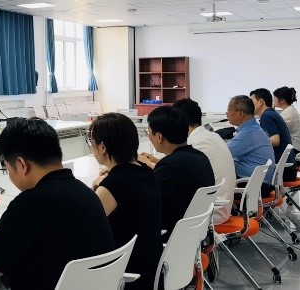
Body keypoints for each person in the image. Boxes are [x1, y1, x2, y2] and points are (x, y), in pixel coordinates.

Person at [0, 118, 114, 290]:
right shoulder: (85, 192)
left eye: (8, 169)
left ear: (21, 164)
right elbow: (50, 237)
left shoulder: (30, 204)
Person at [88, 113, 162, 290]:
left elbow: (85, 226)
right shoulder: (146, 172)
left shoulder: (112, 186)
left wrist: (97, 188)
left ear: (102, 147)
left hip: (127, 275)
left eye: (91, 142)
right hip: (152, 271)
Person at [138, 106, 215, 239]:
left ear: (159, 136)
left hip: (170, 235)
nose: (148, 136)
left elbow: (143, 199)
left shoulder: (171, 165)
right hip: (194, 233)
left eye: (148, 132)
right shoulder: (199, 156)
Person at [172, 98, 236, 225]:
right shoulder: (212, 136)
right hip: (222, 206)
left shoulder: (194, 142)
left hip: (209, 213)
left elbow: (177, 173)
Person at [225, 95, 275, 196]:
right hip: (259, 183)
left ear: (240, 113)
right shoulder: (254, 128)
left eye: (229, 109)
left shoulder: (248, 133)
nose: (226, 113)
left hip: (252, 186)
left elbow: (223, 153)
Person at [250, 88, 296, 181]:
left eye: (251, 102)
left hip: (281, 171)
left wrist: (253, 144)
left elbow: (275, 140)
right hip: (287, 168)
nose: (249, 106)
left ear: (261, 102)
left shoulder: (266, 116)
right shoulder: (271, 113)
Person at [273, 86, 300, 154]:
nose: (273, 100)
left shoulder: (288, 114)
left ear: (282, 100)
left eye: (275, 98)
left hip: (293, 149)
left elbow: (276, 130)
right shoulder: (290, 110)